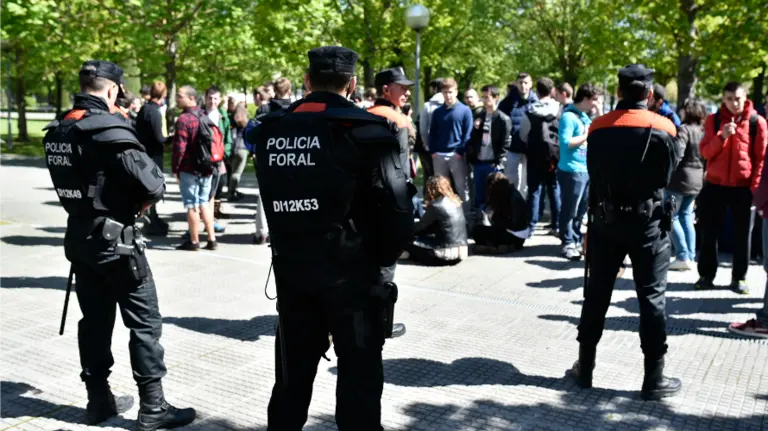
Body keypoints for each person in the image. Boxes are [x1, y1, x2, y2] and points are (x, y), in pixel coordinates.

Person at [248, 46, 414, 430]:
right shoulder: (368, 132)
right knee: (359, 389)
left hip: (293, 275)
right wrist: (380, 261)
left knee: (290, 386)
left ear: (308, 81)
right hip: (352, 280)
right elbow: (398, 213)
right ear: (352, 84)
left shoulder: (272, 129)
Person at [42, 60, 195, 430]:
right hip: (117, 244)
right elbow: (153, 183)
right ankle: (154, 408)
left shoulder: (60, 128)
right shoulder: (107, 128)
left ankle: (98, 401)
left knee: (94, 322)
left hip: (80, 239)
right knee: (145, 323)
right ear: (112, 89)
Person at [571, 64, 681, 401]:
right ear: (649, 94)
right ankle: (654, 377)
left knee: (597, 293)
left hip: (607, 221)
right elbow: (668, 174)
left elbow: (593, 171)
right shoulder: (664, 127)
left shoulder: (598, 126)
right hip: (649, 224)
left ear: (619, 91)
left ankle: (585, 368)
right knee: (651, 298)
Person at [696, 81, 767, 294]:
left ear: (745, 97)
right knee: (709, 233)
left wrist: (755, 189)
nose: (734, 103)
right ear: (723, 99)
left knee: (742, 235)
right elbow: (705, 152)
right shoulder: (714, 120)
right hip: (715, 184)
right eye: (729, 99)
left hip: (743, 188)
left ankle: (739, 277)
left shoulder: (756, 122)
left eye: (737, 99)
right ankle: (706, 275)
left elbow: (761, 160)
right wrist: (722, 136)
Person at [558, 84, 602, 260]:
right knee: (570, 209)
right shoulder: (568, 117)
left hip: (585, 169)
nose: (595, 104)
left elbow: (599, 130)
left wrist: (599, 112)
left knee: (581, 210)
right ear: (585, 99)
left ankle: (575, 238)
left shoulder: (584, 117)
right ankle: (567, 241)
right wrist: (586, 136)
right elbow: (565, 142)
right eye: (594, 100)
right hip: (571, 170)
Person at [666, 98, 707, 271]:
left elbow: (678, 153)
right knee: (687, 216)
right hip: (697, 180)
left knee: (671, 216)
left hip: (680, 179)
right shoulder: (703, 131)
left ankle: (682, 255)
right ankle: (690, 255)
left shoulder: (684, 129)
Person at [401, 176, 468, 265]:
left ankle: (407, 255)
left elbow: (420, 226)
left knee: (407, 241)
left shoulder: (436, 205)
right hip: (462, 251)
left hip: (445, 253)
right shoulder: (456, 201)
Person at [468, 85, 511, 210]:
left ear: (496, 98)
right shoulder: (479, 116)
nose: (484, 100)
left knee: (494, 195)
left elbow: (505, 143)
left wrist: (499, 161)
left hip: (493, 162)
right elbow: (472, 139)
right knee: (479, 195)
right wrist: (476, 129)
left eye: (487, 97)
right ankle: (480, 217)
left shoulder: (503, 119)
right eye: (483, 97)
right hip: (479, 161)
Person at [135, 81, 170, 236]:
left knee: (148, 188)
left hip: (144, 153)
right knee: (153, 188)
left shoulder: (145, 109)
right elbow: (159, 138)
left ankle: (152, 218)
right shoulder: (154, 111)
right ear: (163, 94)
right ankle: (151, 220)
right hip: (153, 155)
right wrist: (171, 139)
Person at [474, 172, 530, 253]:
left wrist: (498, 221)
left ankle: (496, 246)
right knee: (477, 230)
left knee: (483, 232)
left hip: (514, 235)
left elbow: (516, 223)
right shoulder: (508, 194)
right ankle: (498, 246)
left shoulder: (513, 197)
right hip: (514, 234)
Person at [228, 103, 250, 201]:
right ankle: (232, 193)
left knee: (233, 171)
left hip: (233, 147)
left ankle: (232, 191)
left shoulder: (232, 120)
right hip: (242, 148)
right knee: (237, 173)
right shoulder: (246, 121)